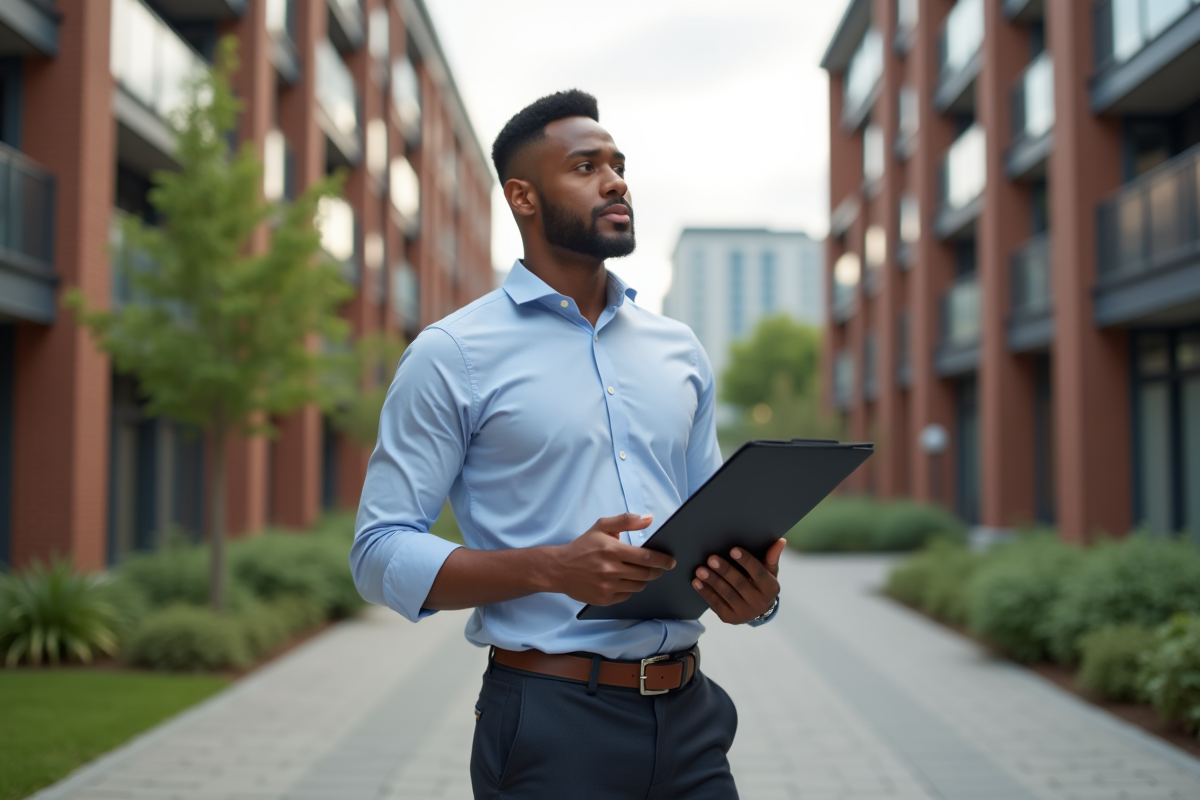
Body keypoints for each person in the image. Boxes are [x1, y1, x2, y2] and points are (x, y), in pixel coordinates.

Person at [351, 89, 783, 799]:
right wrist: (552, 568)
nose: (616, 181)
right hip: (551, 724)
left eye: (618, 164)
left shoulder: (679, 349)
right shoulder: (452, 353)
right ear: (522, 197)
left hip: (694, 720)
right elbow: (378, 552)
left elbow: (713, 525)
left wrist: (752, 594)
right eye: (586, 166)